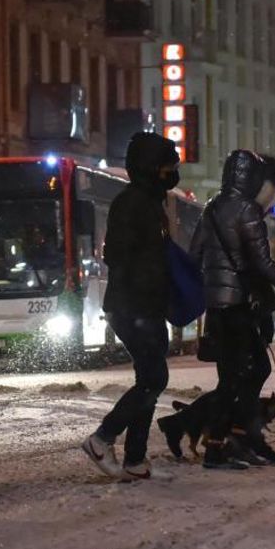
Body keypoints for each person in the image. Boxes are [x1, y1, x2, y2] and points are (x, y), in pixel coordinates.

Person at [160, 150, 275, 470]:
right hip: (240, 305)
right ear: (252, 178)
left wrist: (214, 284)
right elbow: (262, 263)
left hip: (217, 308)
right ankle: (225, 444)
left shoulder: (212, 208)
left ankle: (237, 437)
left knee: (235, 375)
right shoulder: (248, 211)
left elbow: (196, 253)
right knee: (250, 372)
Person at [81, 132, 181, 480]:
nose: (173, 172)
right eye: (169, 166)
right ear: (153, 168)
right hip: (132, 305)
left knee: (149, 379)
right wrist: (152, 277)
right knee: (154, 378)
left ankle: (135, 460)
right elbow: (117, 254)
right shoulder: (133, 203)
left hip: (142, 305)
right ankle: (102, 438)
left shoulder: (149, 202)